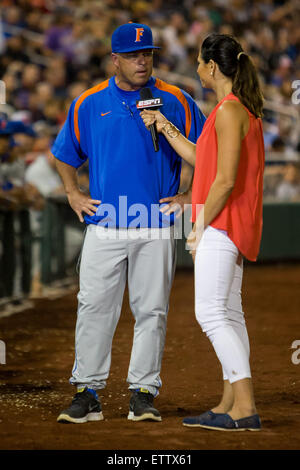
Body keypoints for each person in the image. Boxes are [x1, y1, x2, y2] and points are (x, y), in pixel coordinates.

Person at [51, 22, 206, 424]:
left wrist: (191, 195)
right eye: (134, 55)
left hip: (155, 222)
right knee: (93, 307)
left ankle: (143, 391)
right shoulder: (88, 102)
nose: (142, 61)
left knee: (151, 310)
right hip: (105, 221)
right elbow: (65, 154)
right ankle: (87, 391)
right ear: (115, 59)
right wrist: (72, 192)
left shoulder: (176, 99)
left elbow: (209, 154)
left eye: (148, 54)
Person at [141, 33, 265, 431]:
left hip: (223, 221)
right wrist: (165, 125)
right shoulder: (233, 109)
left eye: (199, 62)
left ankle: (244, 407)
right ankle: (231, 402)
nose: (196, 68)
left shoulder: (229, 111)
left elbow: (224, 181)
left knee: (210, 313)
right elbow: (204, 159)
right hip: (231, 221)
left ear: (213, 67)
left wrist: (198, 224)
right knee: (228, 312)